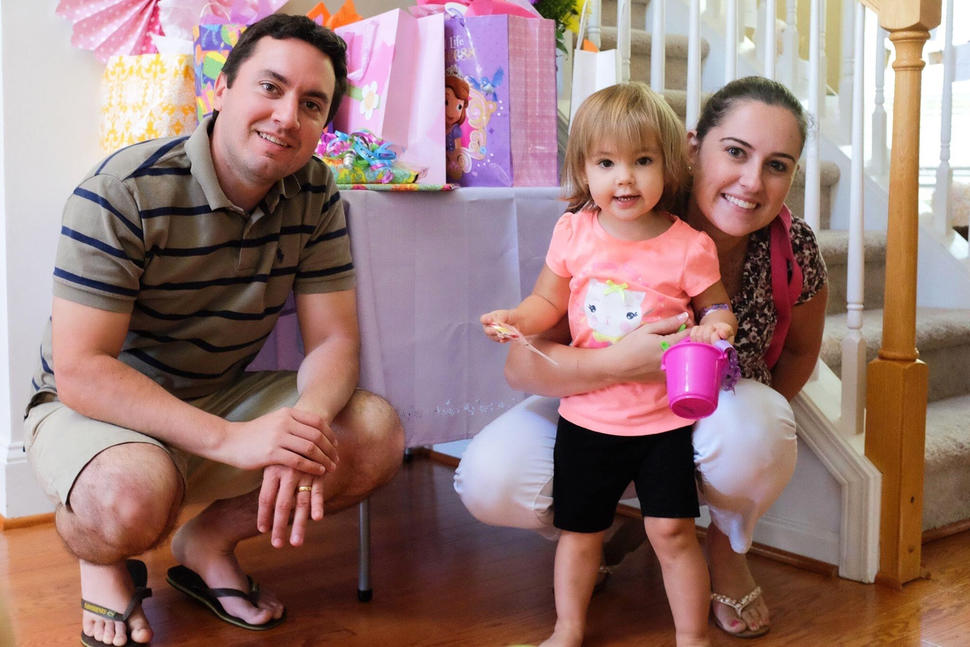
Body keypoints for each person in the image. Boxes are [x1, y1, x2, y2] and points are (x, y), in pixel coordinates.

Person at [24, 14, 404, 647]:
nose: (287, 116)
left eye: (312, 104)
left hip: (214, 392)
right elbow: (83, 372)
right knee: (127, 497)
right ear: (221, 89)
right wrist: (232, 440)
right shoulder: (120, 191)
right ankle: (101, 555)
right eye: (270, 87)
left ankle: (206, 541)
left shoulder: (316, 191)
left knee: (371, 433)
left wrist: (305, 427)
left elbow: (335, 340)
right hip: (92, 407)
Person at [456, 76, 828, 640]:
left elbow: (799, 350)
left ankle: (723, 547)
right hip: (593, 405)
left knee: (755, 427)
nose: (753, 181)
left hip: (683, 415)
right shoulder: (611, 217)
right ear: (691, 147)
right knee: (492, 478)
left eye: (777, 165)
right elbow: (524, 360)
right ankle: (600, 532)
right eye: (735, 152)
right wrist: (614, 364)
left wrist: (741, 427)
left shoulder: (776, 244)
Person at [481, 82, 735, 647]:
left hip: (663, 421)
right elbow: (546, 302)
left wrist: (717, 326)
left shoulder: (689, 245)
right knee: (580, 532)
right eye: (606, 163)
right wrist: (517, 318)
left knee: (673, 533)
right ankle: (568, 629)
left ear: (668, 166)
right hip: (587, 420)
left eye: (642, 161)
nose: (625, 179)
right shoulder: (574, 231)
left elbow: (715, 305)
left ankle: (692, 637)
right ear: (583, 168)